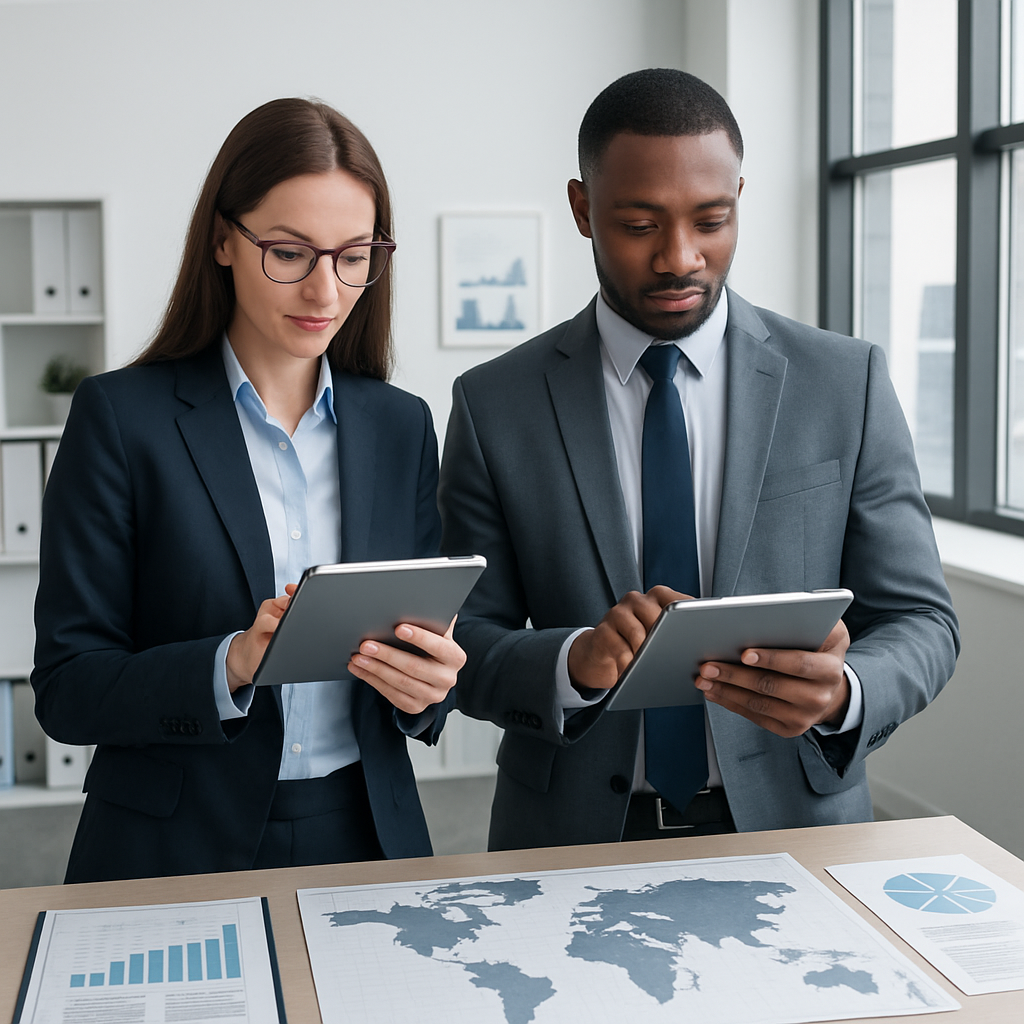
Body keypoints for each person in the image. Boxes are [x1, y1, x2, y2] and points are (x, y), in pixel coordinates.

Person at [438, 69, 959, 851]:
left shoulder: (843, 382)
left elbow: (922, 619)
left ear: (739, 197)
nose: (681, 258)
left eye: (711, 220)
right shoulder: (494, 403)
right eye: (640, 225)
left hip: (799, 827)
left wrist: (846, 691)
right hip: (571, 839)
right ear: (583, 209)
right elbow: (460, 638)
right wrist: (571, 663)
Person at [32, 98, 465, 882]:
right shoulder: (121, 420)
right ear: (224, 240)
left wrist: (428, 688)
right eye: (291, 253)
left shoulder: (401, 426)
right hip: (170, 842)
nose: (327, 291)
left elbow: (418, 674)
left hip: (364, 830)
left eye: (354, 255)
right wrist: (231, 663)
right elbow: (67, 690)